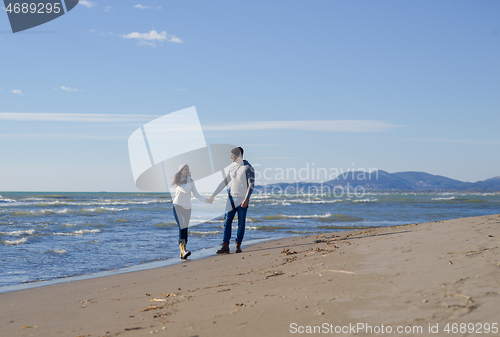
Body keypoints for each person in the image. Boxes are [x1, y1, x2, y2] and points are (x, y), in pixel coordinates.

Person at [207, 147, 255, 254]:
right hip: (231, 199)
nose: (230, 156)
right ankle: (225, 246)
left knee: (241, 223)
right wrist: (213, 195)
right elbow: (224, 182)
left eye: (232, 154)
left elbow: (251, 185)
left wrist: (247, 199)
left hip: (242, 199)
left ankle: (238, 245)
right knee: (227, 222)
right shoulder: (232, 169)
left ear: (238, 155)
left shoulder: (248, 167)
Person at [172, 164, 208, 259]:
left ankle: (182, 251)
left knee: (186, 229)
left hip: (187, 207)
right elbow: (185, 190)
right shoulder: (178, 182)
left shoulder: (191, 181)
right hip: (178, 206)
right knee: (181, 227)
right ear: (181, 171)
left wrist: (206, 200)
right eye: (185, 169)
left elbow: (196, 194)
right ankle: (183, 251)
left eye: (188, 169)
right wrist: (188, 179)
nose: (188, 171)